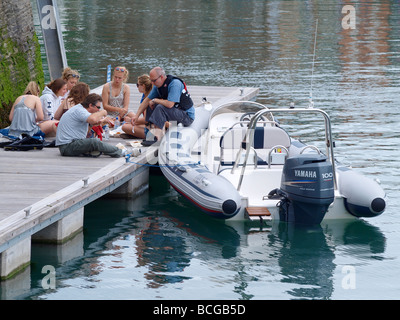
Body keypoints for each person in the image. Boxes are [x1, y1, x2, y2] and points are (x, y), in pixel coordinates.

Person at [131, 67, 195, 144]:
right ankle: (150, 135)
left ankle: (157, 138)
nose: (152, 83)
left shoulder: (175, 84)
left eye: (153, 80)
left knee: (160, 107)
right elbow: (146, 100)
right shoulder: (157, 85)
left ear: (161, 77)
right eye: (151, 80)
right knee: (149, 104)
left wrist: (155, 100)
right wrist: (136, 116)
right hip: (175, 112)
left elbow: (170, 104)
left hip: (187, 116)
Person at [55, 93, 126, 158]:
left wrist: (102, 121)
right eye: (98, 107)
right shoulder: (80, 111)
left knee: (95, 148)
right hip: (67, 146)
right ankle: (119, 152)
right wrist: (103, 112)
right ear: (90, 105)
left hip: (71, 144)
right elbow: (93, 119)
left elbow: (92, 124)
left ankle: (100, 150)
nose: (98, 110)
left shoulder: (80, 109)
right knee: (94, 142)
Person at [121, 74, 153, 139]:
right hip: (151, 125)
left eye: (138, 85)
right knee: (131, 121)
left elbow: (145, 120)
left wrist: (130, 120)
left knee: (125, 126)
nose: (137, 87)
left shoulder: (147, 99)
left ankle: (137, 134)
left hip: (152, 131)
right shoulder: (148, 95)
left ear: (143, 86)